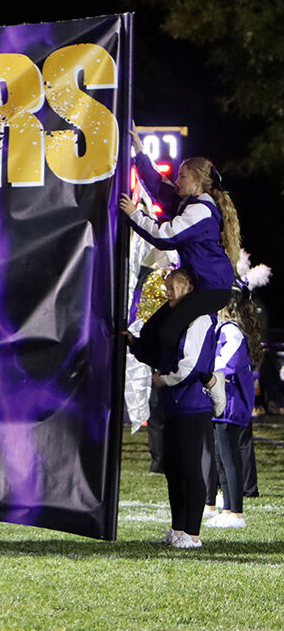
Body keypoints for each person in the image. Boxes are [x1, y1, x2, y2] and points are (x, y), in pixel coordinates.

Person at [119, 125, 239, 414]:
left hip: (213, 288)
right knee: (150, 333)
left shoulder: (201, 210)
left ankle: (206, 378)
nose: (177, 179)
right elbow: (157, 184)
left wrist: (135, 215)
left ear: (197, 182)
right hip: (202, 284)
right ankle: (162, 368)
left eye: (183, 176)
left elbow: (165, 236)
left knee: (167, 333)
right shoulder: (189, 202)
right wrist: (138, 150)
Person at [151, 268, 217, 549]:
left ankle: (193, 535)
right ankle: (178, 530)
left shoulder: (200, 319)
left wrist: (165, 379)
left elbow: (191, 365)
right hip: (176, 403)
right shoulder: (179, 317)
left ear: (189, 288)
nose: (167, 292)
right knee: (173, 468)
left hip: (192, 404)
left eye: (172, 286)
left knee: (190, 468)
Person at [204, 285, 263, 529]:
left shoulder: (231, 330)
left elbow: (228, 363)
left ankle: (236, 513)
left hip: (230, 401)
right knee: (221, 458)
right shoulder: (225, 329)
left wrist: (207, 375)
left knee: (229, 458)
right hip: (224, 400)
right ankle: (227, 509)